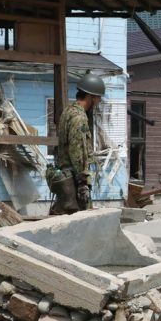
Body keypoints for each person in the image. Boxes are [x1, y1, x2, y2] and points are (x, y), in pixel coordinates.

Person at [49, 73, 104, 215]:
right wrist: (82, 182)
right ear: (90, 96)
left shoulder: (68, 111)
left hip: (65, 177)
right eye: (98, 97)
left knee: (62, 216)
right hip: (74, 180)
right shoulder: (79, 118)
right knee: (80, 223)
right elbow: (77, 151)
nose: (99, 101)